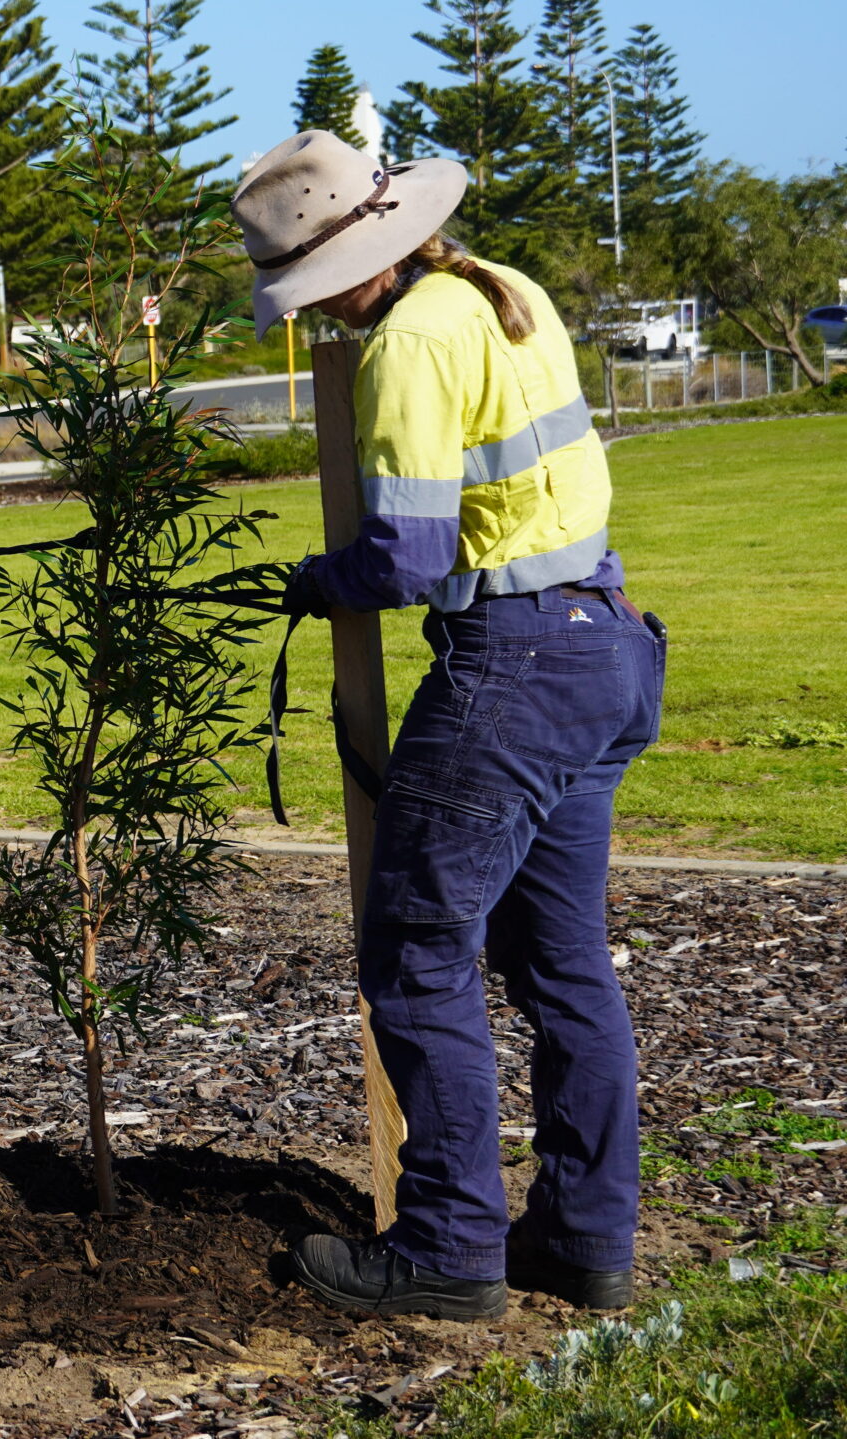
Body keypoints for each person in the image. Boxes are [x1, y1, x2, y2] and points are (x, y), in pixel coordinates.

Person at [234, 133, 666, 1321]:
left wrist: (321, 582)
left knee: (416, 953)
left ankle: (446, 1246)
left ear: (348, 263)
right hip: (606, 642)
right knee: (561, 962)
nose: (311, 314)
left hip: (515, 667)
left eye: (310, 290)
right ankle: (585, 1241)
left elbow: (409, 555)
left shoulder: (410, 342)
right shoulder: (500, 288)